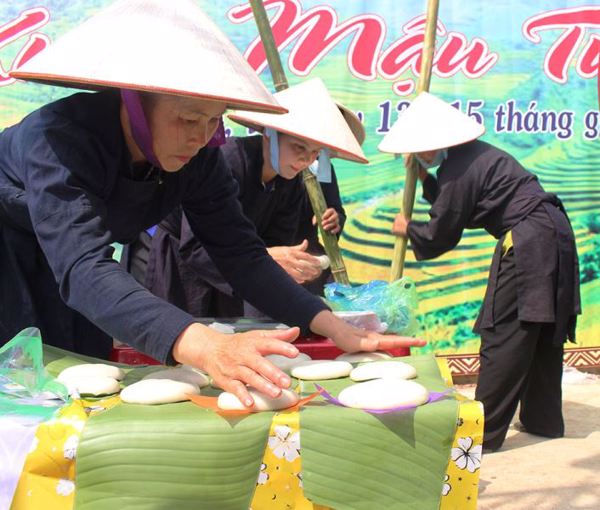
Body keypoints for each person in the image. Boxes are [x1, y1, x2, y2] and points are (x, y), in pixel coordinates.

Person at [0, 0, 424, 409]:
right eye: (187, 119)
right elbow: (82, 266)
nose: (200, 137)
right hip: (13, 259)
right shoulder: (57, 139)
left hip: (79, 271)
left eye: (213, 120)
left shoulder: (199, 157)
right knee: (19, 385)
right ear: (134, 102)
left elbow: (240, 253)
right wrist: (202, 344)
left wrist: (330, 324)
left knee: (84, 378)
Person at [380, 92, 580, 451]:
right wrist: (427, 179)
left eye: (421, 150)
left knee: (506, 331)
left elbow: (443, 230)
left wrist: (407, 228)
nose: (421, 156)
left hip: (528, 241)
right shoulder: (473, 156)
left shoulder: (459, 167)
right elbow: (458, 202)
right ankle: (542, 419)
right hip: (553, 233)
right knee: (540, 329)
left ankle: (480, 434)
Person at [126, 78, 361, 316]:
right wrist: (266, 258)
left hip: (233, 264)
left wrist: (289, 263)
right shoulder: (226, 161)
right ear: (270, 133)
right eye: (299, 147)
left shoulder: (293, 184)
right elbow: (196, 243)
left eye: (314, 154)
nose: (305, 161)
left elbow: (275, 243)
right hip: (175, 253)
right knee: (174, 331)